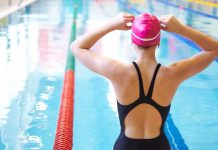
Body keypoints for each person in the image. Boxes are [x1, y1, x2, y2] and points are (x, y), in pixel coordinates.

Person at [71, 12, 218, 150]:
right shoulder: (173, 74)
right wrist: (181, 29)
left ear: (132, 42)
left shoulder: (117, 72)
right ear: (158, 41)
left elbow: (77, 47)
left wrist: (112, 24)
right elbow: (213, 49)